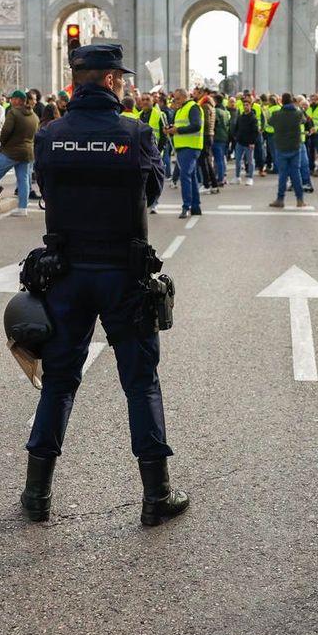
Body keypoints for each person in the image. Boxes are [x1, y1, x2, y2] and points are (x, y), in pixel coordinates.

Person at [19, 44, 188, 527]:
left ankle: (37, 495)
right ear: (113, 80)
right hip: (124, 276)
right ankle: (157, 497)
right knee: (141, 384)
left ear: (76, 80)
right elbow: (152, 192)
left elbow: (45, 190)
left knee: (59, 383)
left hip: (65, 274)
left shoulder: (51, 134)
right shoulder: (136, 133)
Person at [168, 86, 205, 218]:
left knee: (185, 175)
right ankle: (195, 206)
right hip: (184, 146)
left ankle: (186, 206)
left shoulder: (193, 107)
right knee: (191, 176)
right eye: (174, 99)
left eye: (177, 98)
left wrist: (177, 130)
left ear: (185, 96)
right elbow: (181, 126)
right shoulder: (181, 109)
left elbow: (196, 125)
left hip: (191, 146)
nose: (175, 101)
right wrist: (171, 130)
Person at [268, 93, 308, 209]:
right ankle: (300, 200)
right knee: (296, 173)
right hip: (295, 146)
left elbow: (270, 122)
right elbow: (304, 120)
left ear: (282, 101)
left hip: (281, 147)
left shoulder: (276, 114)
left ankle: (280, 199)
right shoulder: (298, 114)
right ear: (292, 101)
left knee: (283, 174)